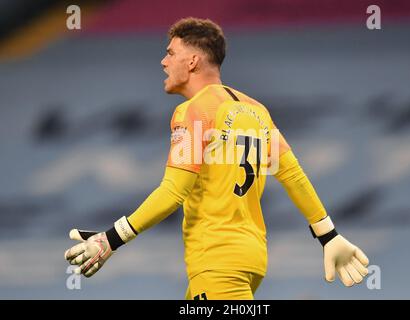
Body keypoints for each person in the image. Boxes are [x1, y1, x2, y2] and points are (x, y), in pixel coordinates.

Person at [64, 17, 369, 300]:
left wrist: (111, 239)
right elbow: (292, 175)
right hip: (251, 260)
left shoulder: (194, 112)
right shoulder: (256, 110)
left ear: (193, 60)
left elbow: (173, 191)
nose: (163, 61)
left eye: (171, 53)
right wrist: (328, 235)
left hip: (217, 262)